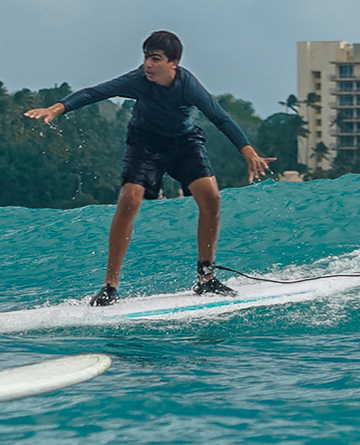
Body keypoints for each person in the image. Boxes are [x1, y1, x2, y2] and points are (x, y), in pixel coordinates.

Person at [25, 30, 270, 305]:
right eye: (145, 57)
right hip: (145, 144)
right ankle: (110, 286)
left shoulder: (188, 85)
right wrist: (57, 108)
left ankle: (206, 277)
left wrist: (248, 152)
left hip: (184, 144)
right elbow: (96, 92)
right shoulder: (138, 81)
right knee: (129, 200)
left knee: (211, 197)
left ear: (173, 63)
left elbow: (220, 118)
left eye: (155, 59)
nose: (148, 65)